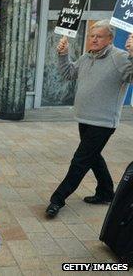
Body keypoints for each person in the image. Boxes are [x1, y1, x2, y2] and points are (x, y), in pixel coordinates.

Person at [45, 20, 133, 218]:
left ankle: (57, 199)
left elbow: (131, 77)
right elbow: (68, 73)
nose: (94, 39)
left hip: (103, 122)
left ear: (110, 39)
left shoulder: (119, 57)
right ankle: (105, 192)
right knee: (93, 157)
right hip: (84, 117)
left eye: (99, 36)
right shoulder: (87, 56)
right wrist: (63, 54)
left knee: (80, 160)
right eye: (92, 36)